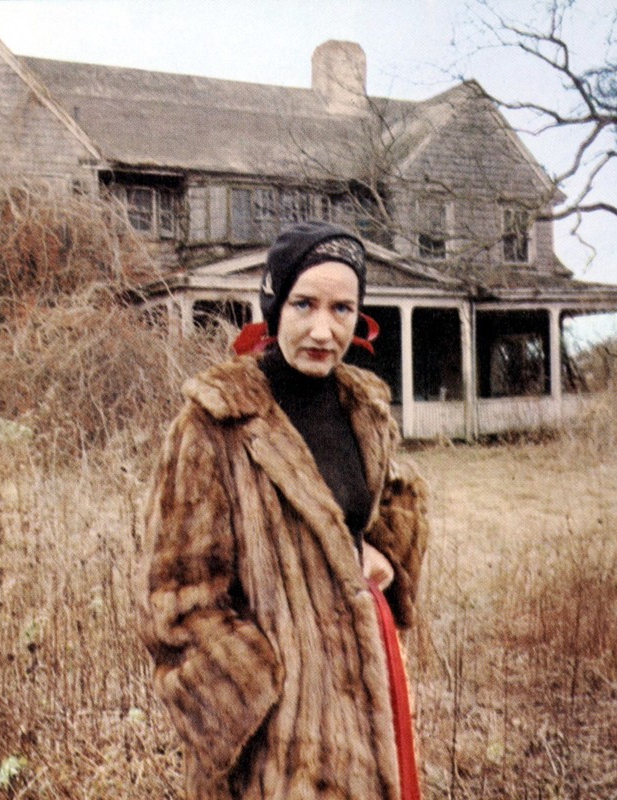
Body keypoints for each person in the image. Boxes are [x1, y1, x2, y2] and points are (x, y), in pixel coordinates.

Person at [139, 221, 429, 800]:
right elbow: (176, 603)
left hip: (369, 705)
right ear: (273, 306)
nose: (324, 329)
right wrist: (262, 700)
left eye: (342, 308)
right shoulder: (215, 425)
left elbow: (371, 515)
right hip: (275, 744)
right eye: (305, 304)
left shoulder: (363, 407)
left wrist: (383, 554)